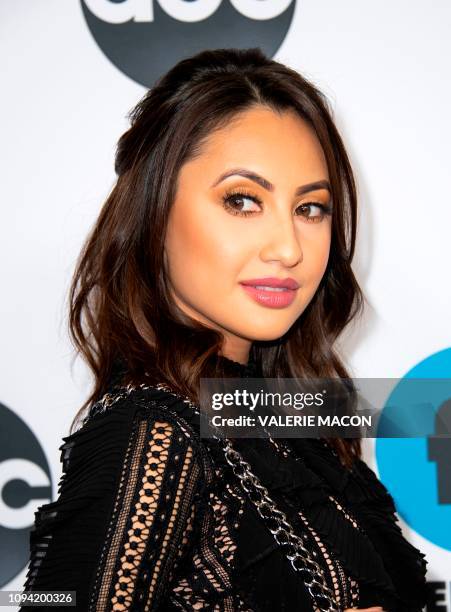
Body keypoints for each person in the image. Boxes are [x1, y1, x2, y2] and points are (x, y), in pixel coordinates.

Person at [20, 48, 429, 611]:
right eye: (243, 201)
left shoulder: (278, 418)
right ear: (154, 211)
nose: (289, 248)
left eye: (311, 208)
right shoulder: (154, 433)